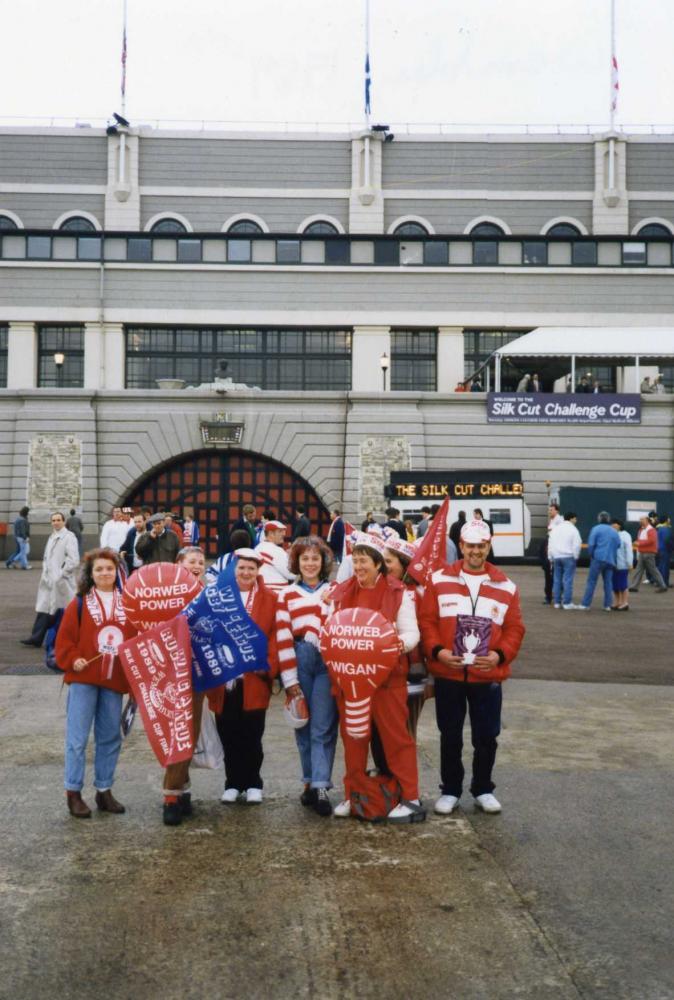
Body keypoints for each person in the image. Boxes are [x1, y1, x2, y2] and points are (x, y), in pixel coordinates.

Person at [419, 519, 525, 815]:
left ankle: (483, 788)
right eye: (470, 546)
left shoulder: (507, 585)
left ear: (489, 546)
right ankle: (450, 789)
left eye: (481, 545)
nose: (475, 551)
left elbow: (516, 628)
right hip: (449, 671)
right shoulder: (439, 580)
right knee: (449, 734)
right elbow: (426, 621)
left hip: (486, 673)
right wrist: (437, 652)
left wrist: (500, 656)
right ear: (461, 546)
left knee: (487, 735)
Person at [329, 534, 424, 824]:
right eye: (355, 560)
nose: (358, 566)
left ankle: (411, 797)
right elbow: (332, 629)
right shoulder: (343, 592)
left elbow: (412, 633)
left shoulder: (399, 593)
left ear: (378, 564)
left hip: (387, 680)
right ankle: (353, 793)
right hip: (352, 681)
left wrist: (395, 645)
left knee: (397, 738)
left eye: (364, 561)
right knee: (354, 738)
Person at [55, 547, 134, 818]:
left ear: (117, 572)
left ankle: (104, 790)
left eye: (109, 569)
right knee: (77, 738)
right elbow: (64, 640)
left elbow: (135, 639)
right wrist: (73, 658)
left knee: (110, 736)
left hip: (114, 679)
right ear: (91, 573)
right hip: (84, 678)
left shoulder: (128, 603)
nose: (104, 573)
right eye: (99, 569)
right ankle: (73, 792)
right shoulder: (78, 604)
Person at [275, 536, 337, 817]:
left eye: (315, 558)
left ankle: (322, 787)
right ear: (296, 562)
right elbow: (282, 637)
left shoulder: (335, 591)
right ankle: (309, 781)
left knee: (323, 726)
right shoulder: (286, 594)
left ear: (323, 562)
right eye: (305, 559)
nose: (310, 563)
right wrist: (289, 681)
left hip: (328, 660)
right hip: (299, 657)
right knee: (302, 725)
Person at [211, 549, 279, 804]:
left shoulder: (270, 599)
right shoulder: (218, 597)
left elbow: (275, 635)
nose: (246, 573)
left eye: (251, 568)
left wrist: (268, 666)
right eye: (242, 568)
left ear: (258, 571)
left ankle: (253, 782)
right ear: (234, 570)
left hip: (254, 677)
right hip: (225, 678)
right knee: (228, 732)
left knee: (253, 733)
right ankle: (232, 783)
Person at [162, 546, 207, 826]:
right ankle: (171, 795)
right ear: (178, 563)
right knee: (173, 732)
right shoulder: (165, 591)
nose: (197, 565)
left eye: (201, 562)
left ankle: (182, 789)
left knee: (189, 733)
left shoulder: (205, 592)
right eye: (192, 561)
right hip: (168, 672)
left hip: (197, 673)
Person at [21, 512, 80, 647]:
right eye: (53, 520)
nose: (56, 522)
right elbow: (47, 557)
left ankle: (65, 639)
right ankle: (36, 638)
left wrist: (61, 575)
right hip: (48, 580)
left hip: (61, 582)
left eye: (58, 520)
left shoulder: (69, 537)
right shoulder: (52, 536)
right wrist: (46, 573)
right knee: (44, 609)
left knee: (60, 611)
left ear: (64, 522)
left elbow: (73, 560)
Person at [577, 511, 620, 611]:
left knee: (591, 582)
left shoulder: (595, 529)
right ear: (608, 520)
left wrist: (592, 554)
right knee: (608, 583)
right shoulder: (614, 531)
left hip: (598, 558)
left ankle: (586, 604)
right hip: (610, 560)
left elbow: (591, 544)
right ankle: (608, 605)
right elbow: (618, 544)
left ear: (599, 519)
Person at [548, 511, 582, 609]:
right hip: (568, 557)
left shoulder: (556, 529)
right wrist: (576, 556)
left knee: (557, 580)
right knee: (567, 580)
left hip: (557, 557)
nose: (576, 520)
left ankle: (557, 602)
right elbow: (577, 544)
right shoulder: (573, 530)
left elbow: (551, 543)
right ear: (571, 519)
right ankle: (567, 602)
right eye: (575, 518)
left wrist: (551, 556)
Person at [628, 515, 668, 594]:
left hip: (649, 553)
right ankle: (634, 587)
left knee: (653, 570)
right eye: (640, 519)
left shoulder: (651, 530)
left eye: (642, 519)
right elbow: (642, 540)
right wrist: (637, 543)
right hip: (643, 552)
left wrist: (639, 543)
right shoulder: (642, 530)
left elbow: (651, 541)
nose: (640, 521)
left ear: (647, 520)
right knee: (639, 570)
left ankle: (663, 586)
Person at [255, 519, 295, 593]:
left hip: (261, 592)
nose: (284, 534)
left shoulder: (258, 548)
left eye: (283, 531)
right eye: (280, 531)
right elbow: (291, 574)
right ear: (271, 533)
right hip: (277, 593)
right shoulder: (276, 550)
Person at [540, 502, 563, 605]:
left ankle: (555, 595)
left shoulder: (559, 521)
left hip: (554, 551)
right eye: (549, 510)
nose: (550, 512)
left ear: (557, 510)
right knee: (549, 575)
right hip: (549, 550)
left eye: (551, 510)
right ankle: (550, 595)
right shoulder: (553, 520)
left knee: (554, 575)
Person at [611, 519, 634, 611]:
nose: (612, 526)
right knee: (615, 585)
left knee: (623, 585)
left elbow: (629, 550)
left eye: (614, 524)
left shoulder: (626, 535)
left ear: (619, 525)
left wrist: (630, 563)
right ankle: (617, 602)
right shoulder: (612, 534)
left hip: (622, 564)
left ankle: (625, 603)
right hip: (613, 564)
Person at [120, 511, 147, 576]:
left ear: (145, 521)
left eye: (139, 522)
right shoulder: (131, 534)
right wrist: (122, 553)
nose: (137, 524)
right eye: (135, 522)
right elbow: (123, 548)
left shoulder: (151, 534)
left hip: (147, 568)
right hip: (133, 569)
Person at [6, 505, 31, 570]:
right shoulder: (22, 520)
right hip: (22, 538)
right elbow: (23, 530)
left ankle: (9, 562)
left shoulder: (18, 519)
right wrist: (25, 538)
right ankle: (24, 565)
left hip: (17, 537)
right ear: (26, 512)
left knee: (19, 551)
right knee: (24, 552)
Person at [656, 515, 672, 588]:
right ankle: (664, 583)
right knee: (665, 567)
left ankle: (659, 582)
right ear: (666, 520)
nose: (670, 520)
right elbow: (667, 540)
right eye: (668, 519)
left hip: (659, 549)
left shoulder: (659, 529)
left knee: (660, 566)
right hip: (665, 550)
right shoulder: (666, 529)